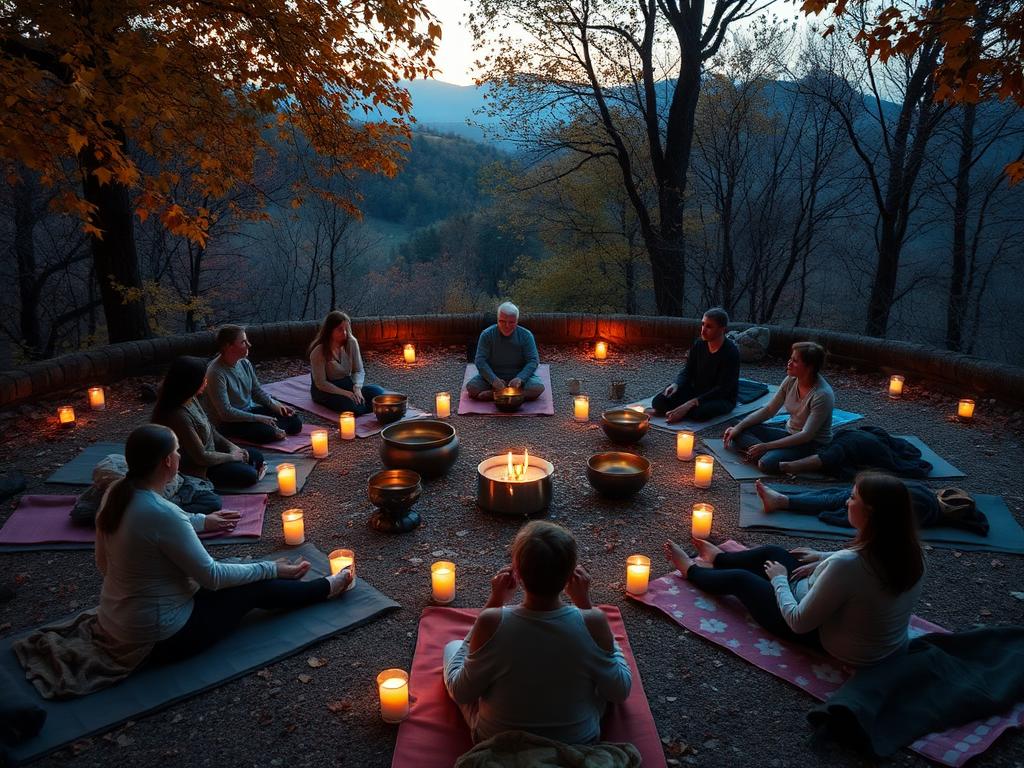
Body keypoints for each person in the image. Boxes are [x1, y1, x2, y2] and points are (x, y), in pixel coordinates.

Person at [95, 424, 352, 665]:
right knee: (252, 587)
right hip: (159, 637)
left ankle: (282, 577)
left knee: (241, 572)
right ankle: (325, 588)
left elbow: (103, 563)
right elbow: (212, 577)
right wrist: (271, 568)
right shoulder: (161, 514)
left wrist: (202, 521)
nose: (180, 455)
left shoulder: (117, 493)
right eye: (177, 451)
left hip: (115, 621)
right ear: (167, 461)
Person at [665, 472, 925, 667]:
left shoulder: (847, 565)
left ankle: (691, 571)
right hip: (870, 638)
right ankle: (720, 559)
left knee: (742, 579)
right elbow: (863, 565)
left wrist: (779, 580)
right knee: (774, 553)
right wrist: (821, 556)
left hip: (827, 639)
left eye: (853, 498)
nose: (847, 502)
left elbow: (798, 622)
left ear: (870, 512)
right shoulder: (911, 551)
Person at [443, 521, 631, 744]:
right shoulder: (593, 621)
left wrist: (494, 602)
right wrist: (587, 608)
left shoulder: (491, 621)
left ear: (517, 573)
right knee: (601, 668)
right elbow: (619, 692)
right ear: (572, 573)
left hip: (499, 740)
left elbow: (462, 693)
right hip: (577, 742)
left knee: (452, 648)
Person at [153, 356, 265, 489]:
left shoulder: (191, 398)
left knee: (256, 456)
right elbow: (201, 457)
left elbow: (211, 430)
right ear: (191, 384)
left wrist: (233, 448)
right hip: (200, 468)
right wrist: (232, 457)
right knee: (250, 475)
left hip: (214, 454)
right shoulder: (178, 416)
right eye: (203, 380)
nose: (206, 382)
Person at [723, 341, 834, 474]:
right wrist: (738, 428)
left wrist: (766, 446)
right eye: (790, 358)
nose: (789, 363)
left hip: (810, 444)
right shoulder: (791, 380)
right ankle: (765, 452)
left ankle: (766, 454)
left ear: (809, 367)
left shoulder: (822, 395)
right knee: (737, 426)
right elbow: (769, 410)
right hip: (788, 433)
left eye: (795, 361)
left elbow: (806, 435)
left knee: (766, 464)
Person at [204, 324, 302, 443]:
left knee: (295, 422)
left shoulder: (244, 363)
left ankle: (274, 429)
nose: (248, 345)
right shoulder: (215, 372)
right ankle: (272, 430)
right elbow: (225, 412)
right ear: (229, 346)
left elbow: (256, 391)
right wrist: (258, 418)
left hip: (250, 411)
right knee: (267, 433)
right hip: (230, 421)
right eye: (243, 342)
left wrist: (276, 405)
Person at [649, 308, 740, 423]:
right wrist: (677, 384)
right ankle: (683, 409)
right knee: (659, 401)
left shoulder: (730, 352)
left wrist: (691, 403)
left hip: (719, 397)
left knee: (699, 413)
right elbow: (688, 370)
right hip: (696, 390)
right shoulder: (699, 344)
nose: (703, 330)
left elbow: (723, 388)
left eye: (709, 327)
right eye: (703, 324)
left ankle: (682, 410)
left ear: (722, 329)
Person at [308, 311, 386, 416]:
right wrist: (346, 393)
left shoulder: (351, 343)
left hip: (346, 383)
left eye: (346, 329)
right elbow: (321, 383)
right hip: (326, 390)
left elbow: (358, 370)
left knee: (378, 393)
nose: (344, 333)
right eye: (340, 329)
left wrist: (357, 388)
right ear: (330, 331)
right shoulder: (319, 351)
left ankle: (367, 405)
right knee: (354, 407)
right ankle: (366, 407)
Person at [466, 302, 544, 401]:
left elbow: (533, 361)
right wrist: (493, 380)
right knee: (472, 387)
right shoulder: (487, 335)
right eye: (502, 321)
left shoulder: (526, 335)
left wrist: (520, 378)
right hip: (493, 374)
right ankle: (513, 395)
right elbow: (480, 361)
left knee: (537, 388)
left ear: (517, 321)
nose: (507, 326)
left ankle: (497, 394)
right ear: (497, 319)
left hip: (518, 375)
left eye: (511, 322)